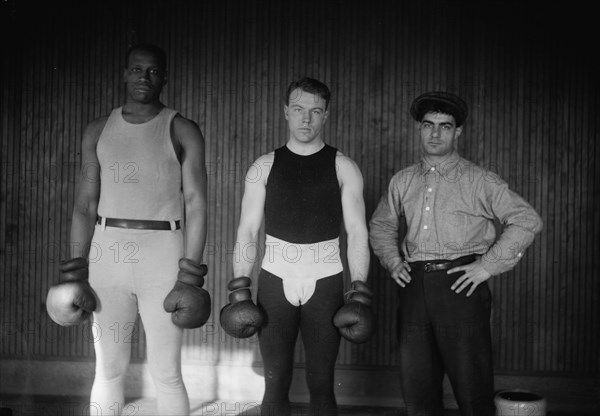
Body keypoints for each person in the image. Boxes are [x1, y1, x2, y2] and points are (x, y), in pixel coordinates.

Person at [45, 43, 210, 416]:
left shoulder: (182, 129)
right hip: (108, 255)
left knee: (166, 372)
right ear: (124, 74)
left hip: (163, 255)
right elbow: (85, 205)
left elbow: (197, 204)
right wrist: (76, 268)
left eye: (153, 71)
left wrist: (190, 274)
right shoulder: (98, 130)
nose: (144, 78)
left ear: (164, 78)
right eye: (137, 70)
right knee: (108, 369)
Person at [369, 91, 543, 416]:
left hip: (461, 286)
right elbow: (381, 225)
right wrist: (392, 261)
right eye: (428, 125)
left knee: (472, 388)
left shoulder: (480, 180)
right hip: (414, 288)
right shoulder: (402, 180)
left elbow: (526, 220)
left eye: (445, 126)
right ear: (419, 129)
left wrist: (487, 266)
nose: (435, 133)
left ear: (457, 132)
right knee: (417, 389)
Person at [219, 77, 374, 416]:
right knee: (275, 383)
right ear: (286, 112)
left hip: (326, 279)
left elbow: (357, 232)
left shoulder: (343, 166)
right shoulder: (264, 165)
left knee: (322, 382)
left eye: (315, 111)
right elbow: (247, 229)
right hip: (276, 277)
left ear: (326, 116)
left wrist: (359, 290)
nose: (306, 120)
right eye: (299, 110)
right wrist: (240, 287)